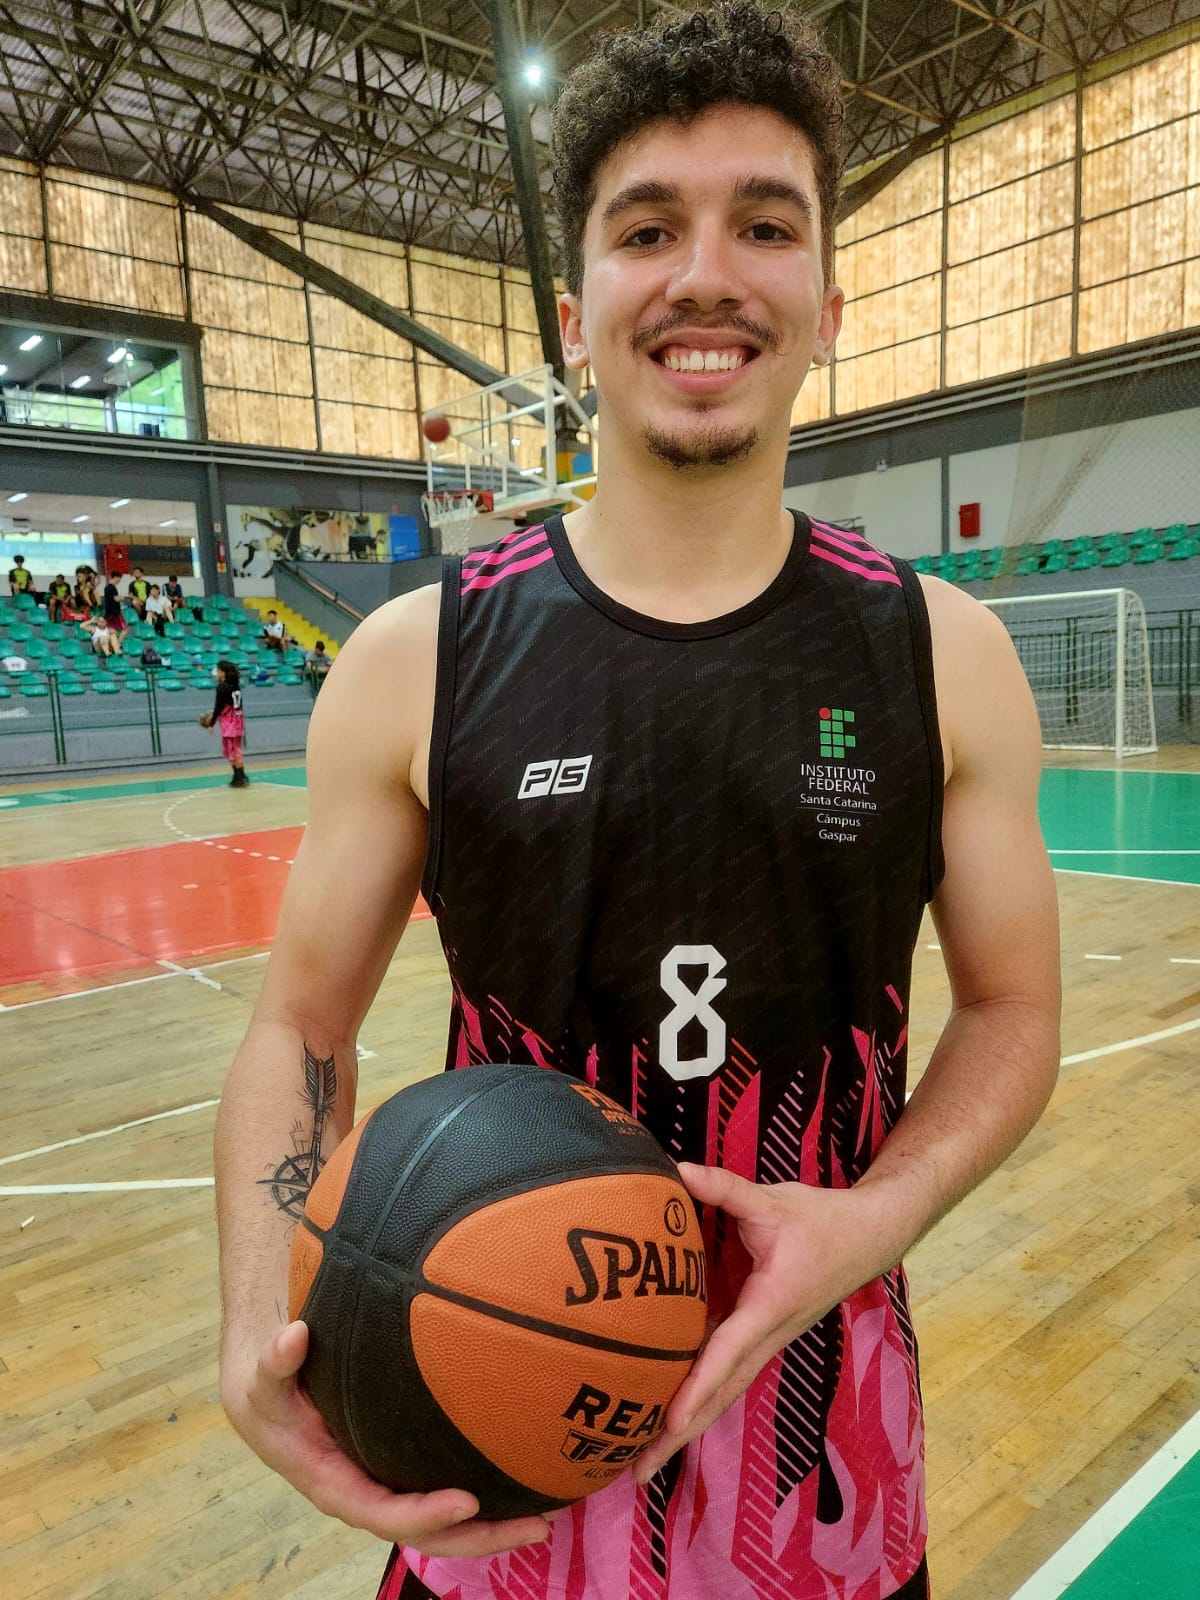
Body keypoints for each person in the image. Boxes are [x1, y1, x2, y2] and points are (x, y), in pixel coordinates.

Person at [214, 9, 1061, 1600]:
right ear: (575, 306)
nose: (704, 276)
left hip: (829, 1471)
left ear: (825, 295)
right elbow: (296, 1030)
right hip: (484, 1476)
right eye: (648, 228)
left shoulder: (947, 654)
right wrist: (259, 1313)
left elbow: (1014, 1011)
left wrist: (879, 1215)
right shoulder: (416, 659)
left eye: (764, 224)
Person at [201, 658, 249, 787]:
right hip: (238, 720)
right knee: (233, 749)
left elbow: (219, 706)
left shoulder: (222, 687)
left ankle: (241, 777)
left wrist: (211, 723)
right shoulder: (236, 685)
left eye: (218, 670)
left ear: (223, 672)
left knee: (233, 750)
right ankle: (238, 775)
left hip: (230, 722)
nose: (216, 673)